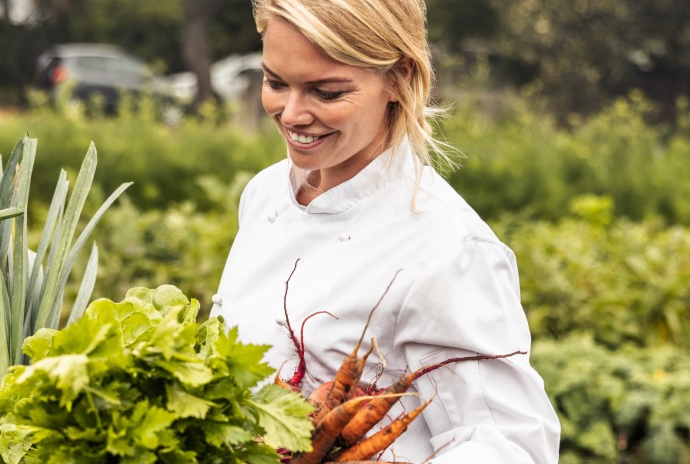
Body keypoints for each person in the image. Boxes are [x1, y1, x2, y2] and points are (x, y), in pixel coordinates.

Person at [208, 0, 560, 462]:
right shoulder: (264, 193)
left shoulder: (446, 248)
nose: (291, 114)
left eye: (326, 93)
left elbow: (512, 446)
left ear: (400, 78)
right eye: (275, 83)